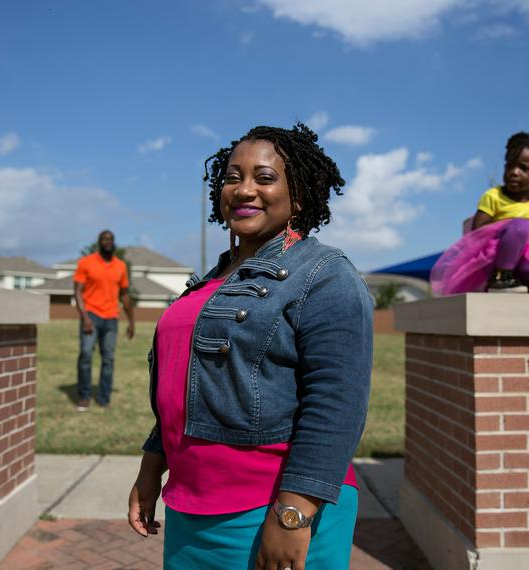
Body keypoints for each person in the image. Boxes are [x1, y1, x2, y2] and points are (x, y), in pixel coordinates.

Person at [127, 123, 373, 570]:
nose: (243, 190)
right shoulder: (211, 281)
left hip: (271, 508)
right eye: (232, 177)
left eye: (263, 178)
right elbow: (186, 386)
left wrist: (294, 512)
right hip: (191, 506)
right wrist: (151, 468)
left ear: (298, 195)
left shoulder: (325, 275)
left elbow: (338, 401)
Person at [430, 132, 529, 295]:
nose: (514, 172)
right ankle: (500, 279)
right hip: (496, 256)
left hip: (526, 253)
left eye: (523, 168)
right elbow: (478, 230)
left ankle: (522, 288)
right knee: (520, 225)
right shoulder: (493, 196)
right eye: (510, 165)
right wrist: (513, 223)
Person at [72, 230, 135, 411]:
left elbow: (125, 295)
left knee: (108, 359)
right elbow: (77, 291)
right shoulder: (86, 262)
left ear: (114, 242)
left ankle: (104, 398)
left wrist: (131, 322)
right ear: (99, 242)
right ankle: (84, 397)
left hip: (111, 319)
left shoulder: (120, 266)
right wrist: (84, 317)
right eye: (104, 239)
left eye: (111, 239)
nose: (108, 242)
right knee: (85, 355)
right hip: (90, 314)